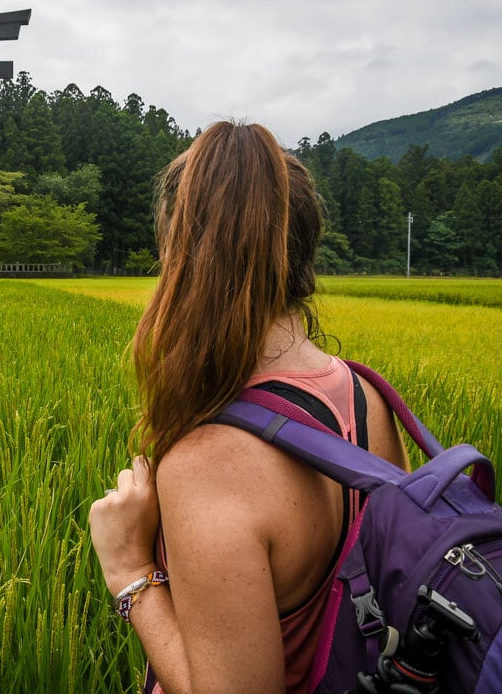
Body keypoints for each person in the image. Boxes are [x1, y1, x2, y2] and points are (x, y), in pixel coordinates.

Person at [88, 122, 410, 694]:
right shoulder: (368, 398)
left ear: (181, 258)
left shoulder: (210, 464)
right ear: (305, 248)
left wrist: (129, 572)